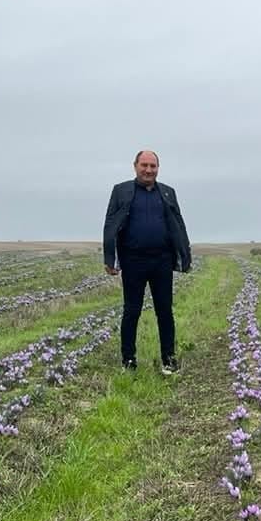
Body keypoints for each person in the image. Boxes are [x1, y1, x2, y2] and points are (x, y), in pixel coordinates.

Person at [103, 150, 192, 374]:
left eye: (153, 166)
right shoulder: (121, 191)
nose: (148, 170)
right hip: (133, 260)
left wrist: (185, 255)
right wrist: (110, 258)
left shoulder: (168, 193)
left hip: (162, 260)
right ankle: (128, 361)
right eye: (144, 165)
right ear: (135, 166)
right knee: (132, 311)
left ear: (158, 168)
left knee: (165, 311)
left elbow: (178, 224)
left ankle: (168, 360)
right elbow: (110, 224)